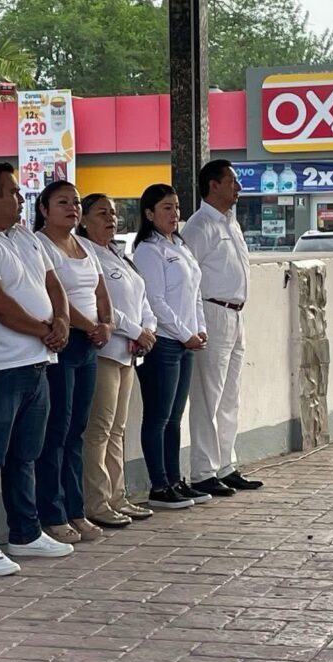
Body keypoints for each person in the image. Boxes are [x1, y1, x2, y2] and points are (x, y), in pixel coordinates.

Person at [0, 162, 75, 577]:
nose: (21, 200)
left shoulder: (21, 234)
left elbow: (53, 282)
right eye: (14, 193)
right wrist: (45, 329)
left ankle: (25, 531)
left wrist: (61, 321)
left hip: (36, 362)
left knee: (26, 454)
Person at [33, 181, 113, 543]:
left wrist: (106, 324)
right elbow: (55, 296)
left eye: (76, 202)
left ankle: (76, 510)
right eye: (62, 202)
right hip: (63, 341)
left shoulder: (84, 246)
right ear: (44, 209)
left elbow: (100, 290)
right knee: (57, 431)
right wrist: (89, 325)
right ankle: (53, 512)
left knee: (78, 429)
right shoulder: (41, 245)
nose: (72, 208)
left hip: (89, 345)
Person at [182, 160, 264, 496]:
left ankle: (225, 465)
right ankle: (202, 471)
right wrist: (195, 322)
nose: (238, 187)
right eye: (231, 181)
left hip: (236, 313)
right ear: (213, 185)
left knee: (231, 396)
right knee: (208, 396)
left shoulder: (232, 223)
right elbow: (188, 280)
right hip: (212, 312)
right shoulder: (198, 226)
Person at [78, 193, 157, 526]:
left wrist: (147, 329)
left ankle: (117, 496)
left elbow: (142, 299)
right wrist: (136, 330)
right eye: (100, 214)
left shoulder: (119, 254)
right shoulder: (86, 254)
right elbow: (103, 307)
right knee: (99, 429)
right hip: (106, 352)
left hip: (128, 353)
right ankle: (97, 502)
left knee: (118, 430)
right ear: (83, 220)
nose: (110, 219)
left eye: (112, 213)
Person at [132, 184, 211, 510]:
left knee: (175, 417)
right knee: (158, 416)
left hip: (185, 341)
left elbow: (194, 294)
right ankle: (159, 484)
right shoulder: (149, 250)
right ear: (149, 213)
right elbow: (156, 301)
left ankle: (175, 479)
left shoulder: (179, 245)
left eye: (176, 207)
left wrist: (200, 329)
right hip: (164, 342)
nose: (174, 214)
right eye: (166, 208)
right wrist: (182, 333)